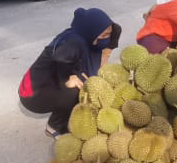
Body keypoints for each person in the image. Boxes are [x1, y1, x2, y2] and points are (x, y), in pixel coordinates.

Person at [19, 8, 119, 136]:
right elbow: (60, 58)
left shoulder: (100, 34)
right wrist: (70, 77)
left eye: (108, 35)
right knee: (78, 90)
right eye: (103, 35)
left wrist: (104, 57)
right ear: (91, 31)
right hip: (33, 93)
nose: (106, 38)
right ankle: (54, 125)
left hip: (53, 78)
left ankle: (68, 104)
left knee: (88, 82)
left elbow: (108, 46)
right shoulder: (73, 43)